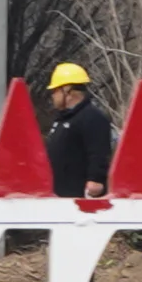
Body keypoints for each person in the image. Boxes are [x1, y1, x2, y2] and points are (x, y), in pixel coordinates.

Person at [41, 62, 113, 202]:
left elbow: (99, 151)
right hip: (58, 194)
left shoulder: (92, 117)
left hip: (77, 197)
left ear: (67, 90)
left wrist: (95, 179)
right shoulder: (62, 119)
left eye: (55, 91)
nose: (52, 96)